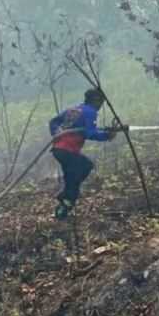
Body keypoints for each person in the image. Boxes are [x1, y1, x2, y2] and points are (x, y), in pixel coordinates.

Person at [48, 89, 122, 219]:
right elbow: (90, 133)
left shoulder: (74, 109)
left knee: (74, 175)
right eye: (100, 102)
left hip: (59, 150)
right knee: (84, 168)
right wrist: (107, 136)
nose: (100, 106)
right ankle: (65, 202)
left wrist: (56, 132)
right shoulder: (90, 112)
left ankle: (64, 203)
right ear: (95, 100)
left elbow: (53, 122)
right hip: (67, 151)